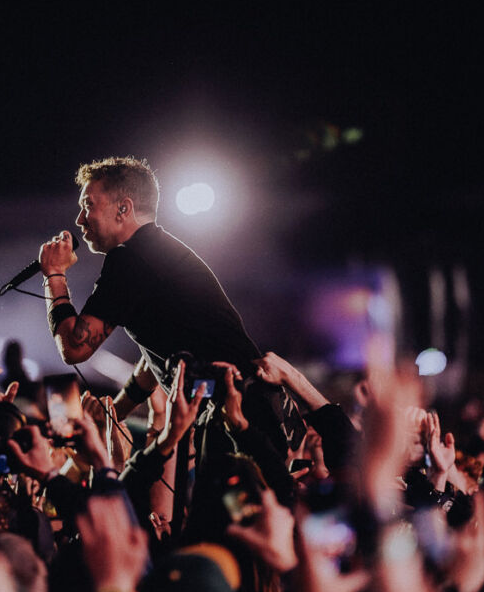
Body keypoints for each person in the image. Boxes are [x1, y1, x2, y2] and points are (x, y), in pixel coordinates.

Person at [37, 156, 294, 453]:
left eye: (88, 206)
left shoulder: (131, 259)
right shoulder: (155, 251)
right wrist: (117, 411)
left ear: (123, 209)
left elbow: (74, 348)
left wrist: (54, 274)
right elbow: (159, 355)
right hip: (251, 412)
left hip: (239, 419)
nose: (80, 219)